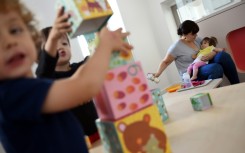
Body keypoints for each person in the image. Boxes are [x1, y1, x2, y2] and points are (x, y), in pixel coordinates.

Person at [0, 0, 133, 153]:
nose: (9, 42)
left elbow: (61, 71)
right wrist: (105, 45)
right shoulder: (13, 94)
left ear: (31, 36)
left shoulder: (23, 89)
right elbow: (85, 85)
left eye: (15, 30)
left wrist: (53, 36)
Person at [36, 27, 99, 143]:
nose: (60, 47)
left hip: (96, 130)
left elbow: (92, 60)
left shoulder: (79, 67)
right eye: (53, 45)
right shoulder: (48, 79)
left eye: (64, 43)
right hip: (72, 139)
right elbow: (41, 74)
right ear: (43, 57)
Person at [154, 20, 240, 84]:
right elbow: (165, 62)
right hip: (191, 73)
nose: (196, 36)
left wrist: (212, 53)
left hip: (204, 64)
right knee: (216, 68)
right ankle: (212, 93)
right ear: (184, 34)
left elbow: (210, 48)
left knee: (223, 55)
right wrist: (157, 73)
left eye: (196, 33)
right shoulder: (176, 47)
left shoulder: (197, 39)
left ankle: (237, 86)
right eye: (193, 34)